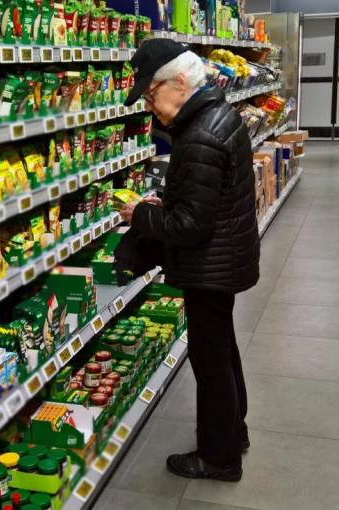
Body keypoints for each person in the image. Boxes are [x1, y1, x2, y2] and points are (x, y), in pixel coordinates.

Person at [119, 39, 260, 482]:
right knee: (223, 352)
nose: (149, 106)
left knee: (211, 363)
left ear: (179, 83)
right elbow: (206, 200)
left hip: (210, 265)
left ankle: (219, 459)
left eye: (151, 94)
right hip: (224, 258)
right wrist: (168, 200)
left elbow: (190, 226)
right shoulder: (215, 114)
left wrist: (140, 214)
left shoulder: (199, 133)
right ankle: (233, 433)